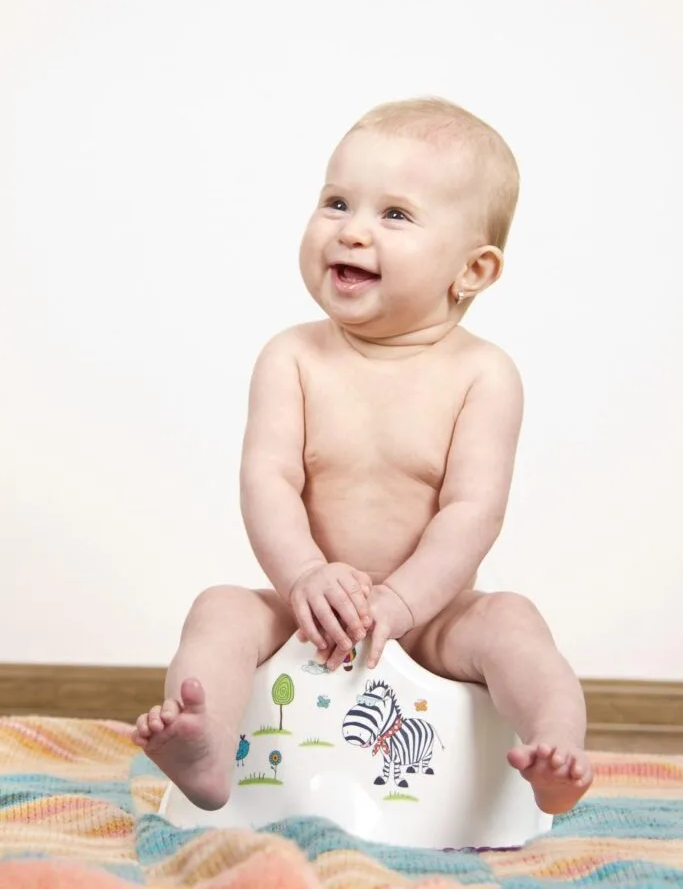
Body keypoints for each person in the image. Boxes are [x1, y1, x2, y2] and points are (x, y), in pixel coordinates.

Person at [133, 97, 593, 816]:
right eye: (336, 202)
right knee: (219, 610)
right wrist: (303, 577)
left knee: (513, 623)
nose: (350, 231)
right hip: (305, 606)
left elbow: (472, 511)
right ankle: (208, 743)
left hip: (432, 614)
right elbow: (269, 480)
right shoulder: (292, 356)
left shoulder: (482, 375)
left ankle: (554, 752)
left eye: (394, 215)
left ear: (471, 269)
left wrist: (402, 602)